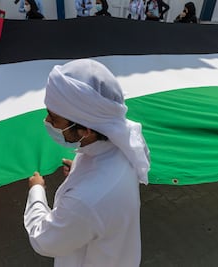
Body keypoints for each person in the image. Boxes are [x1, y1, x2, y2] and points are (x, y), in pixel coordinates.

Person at [24, 59, 150, 267]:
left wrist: (36, 191)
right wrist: (80, 172)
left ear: (86, 130)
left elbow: (44, 241)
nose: (47, 122)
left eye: (54, 118)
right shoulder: (125, 141)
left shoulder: (84, 201)